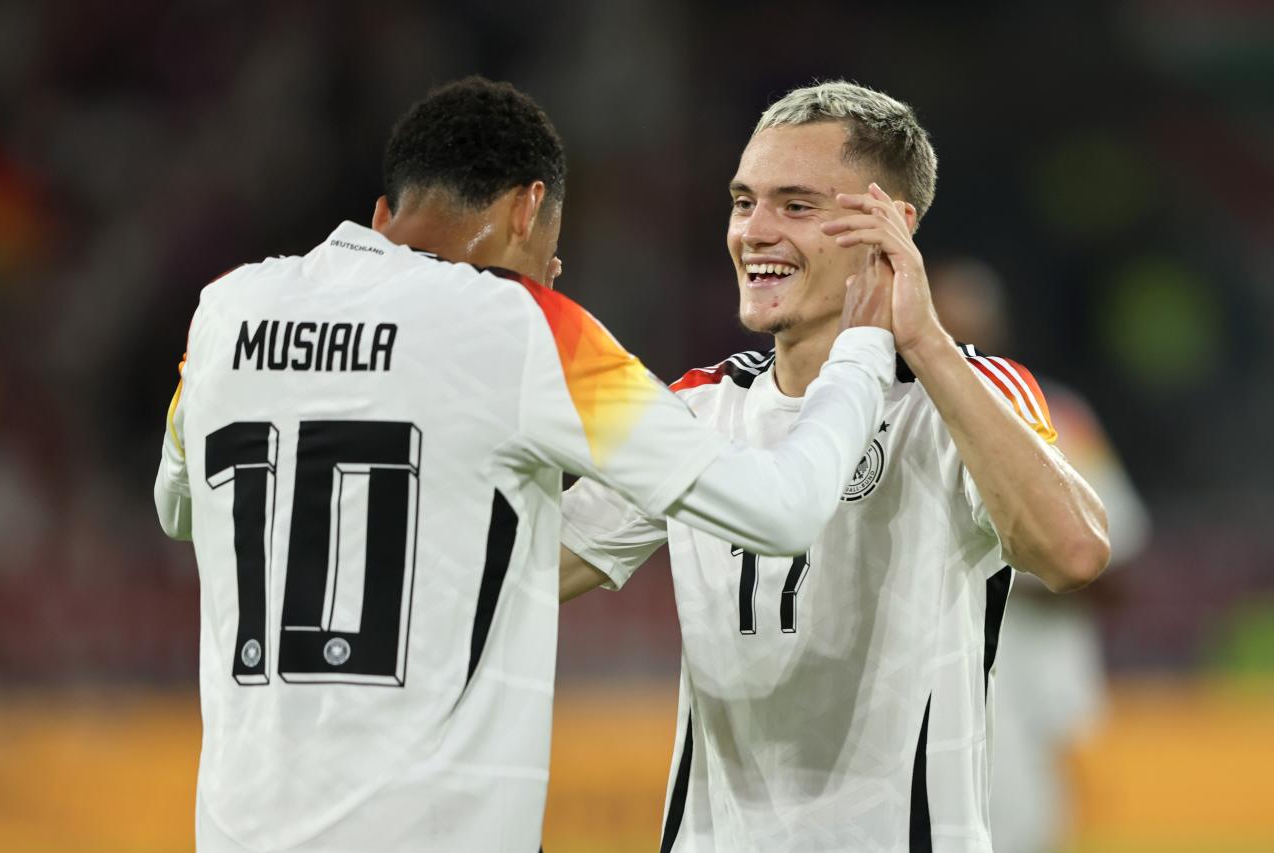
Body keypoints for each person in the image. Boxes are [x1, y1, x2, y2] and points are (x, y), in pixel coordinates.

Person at [152, 76, 900, 853]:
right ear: (526, 209)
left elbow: (178, 507)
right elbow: (781, 508)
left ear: (383, 214)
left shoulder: (225, 311)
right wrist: (861, 352)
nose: (553, 267)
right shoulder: (525, 325)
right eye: (551, 245)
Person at [558, 81, 1111, 852]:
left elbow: (1074, 550)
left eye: (796, 205)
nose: (754, 232)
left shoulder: (971, 394)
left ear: (892, 226)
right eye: (743, 201)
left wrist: (923, 341)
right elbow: (524, 570)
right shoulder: (696, 408)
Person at [928, 258, 1150, 853]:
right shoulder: (882, 419)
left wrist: (1004, 568)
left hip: (1032, 677)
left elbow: (1116, 567)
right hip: (929, 681)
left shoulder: (1055, 416)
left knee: (1027, 829)